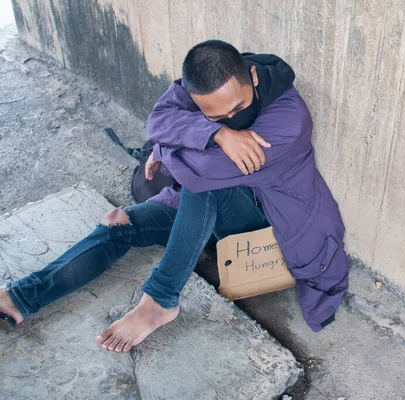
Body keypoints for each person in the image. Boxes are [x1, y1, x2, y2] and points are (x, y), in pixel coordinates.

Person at [0, 40, 349, 352]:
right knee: (117, 223)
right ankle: (20, 298)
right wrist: (216, 133)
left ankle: (160, 300)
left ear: (253, 77)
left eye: (237, 108)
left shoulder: (288, 119)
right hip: (209, 209)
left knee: (200, 183)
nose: (231, 118)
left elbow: (201, 171)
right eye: (217, 115)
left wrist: (164, 150)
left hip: (265, 221)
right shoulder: (202, 85)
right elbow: (160, 119)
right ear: (196, 98)